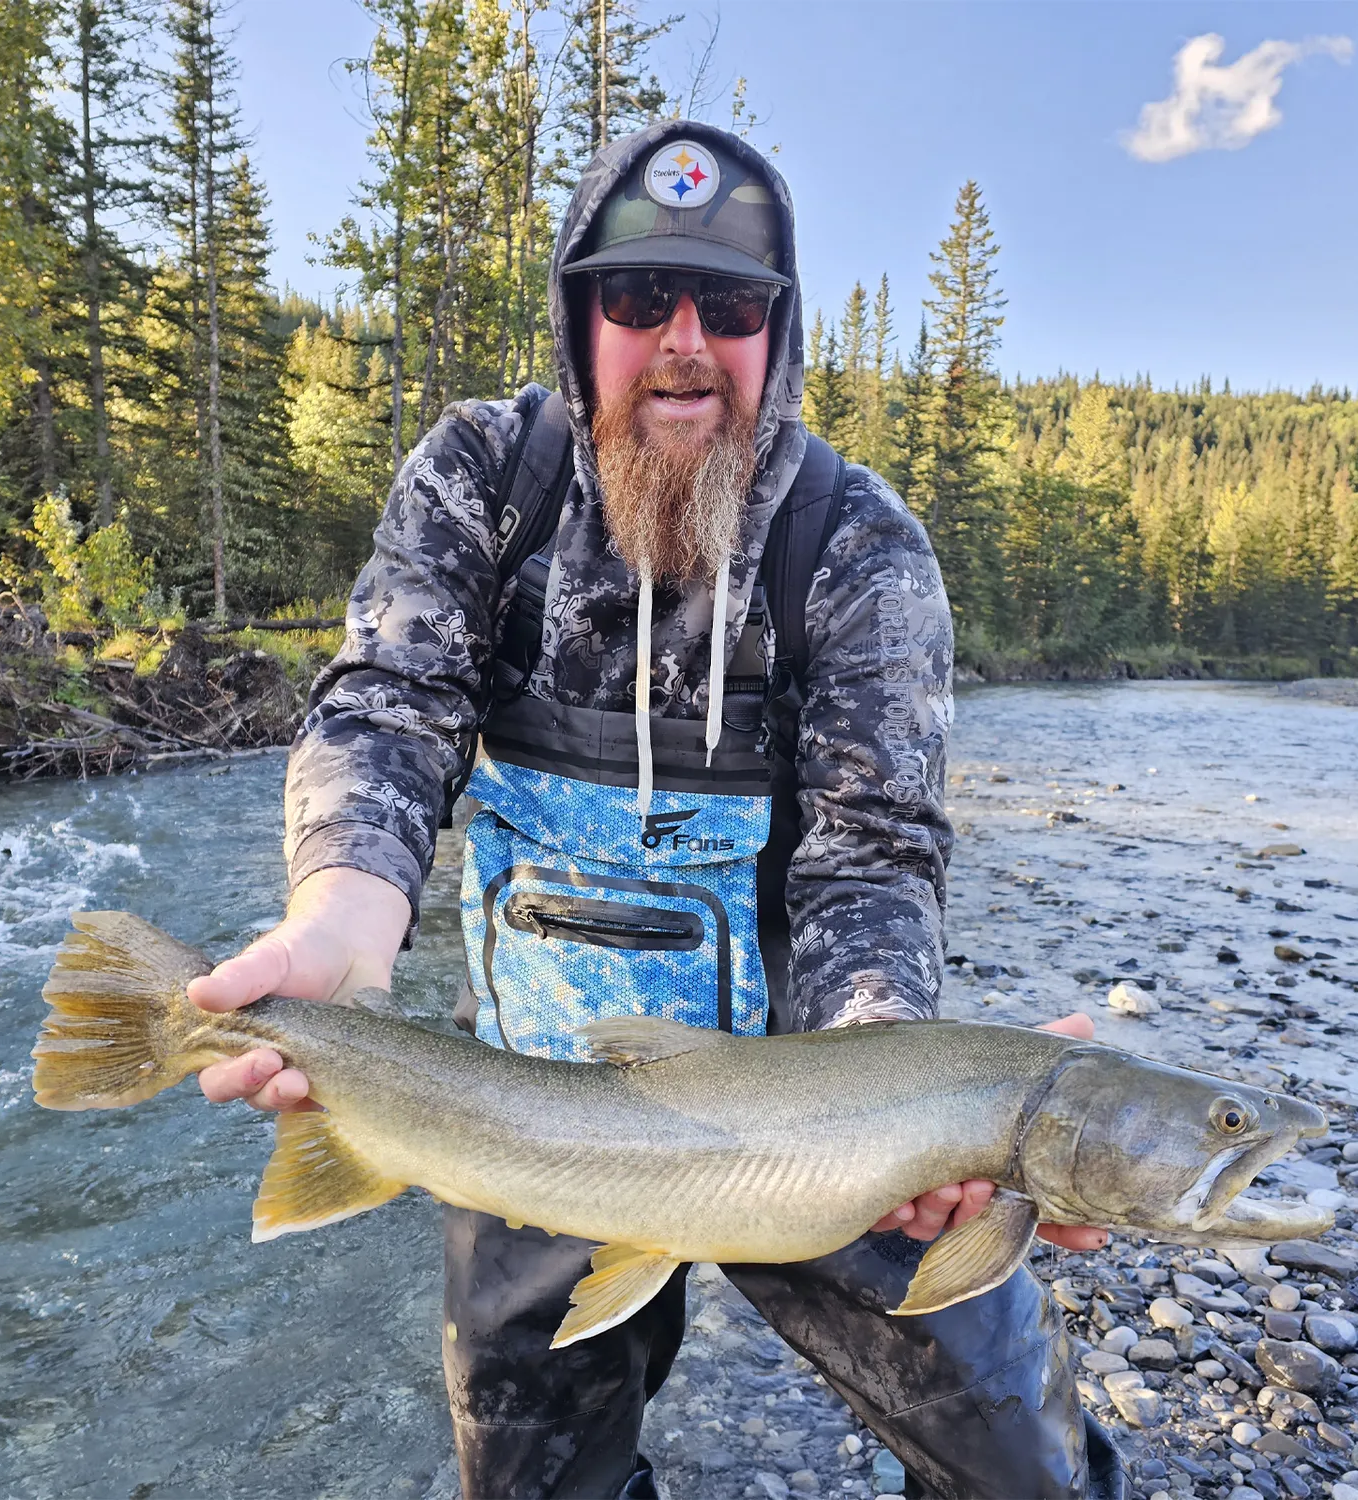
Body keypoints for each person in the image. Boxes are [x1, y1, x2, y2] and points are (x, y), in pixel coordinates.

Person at [187, 121, 1130, 1500]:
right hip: (534, 1111)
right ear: (583, 320)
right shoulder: (480, 482)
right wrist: (339, 929)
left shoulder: (859, 548)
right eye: (640, 299)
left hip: (815, 1125)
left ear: (775, 335)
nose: (685, 341)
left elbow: (875, 862)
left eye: (732, 306)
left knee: (1026, 1475)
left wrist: (903, 1083)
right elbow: (388, 712)